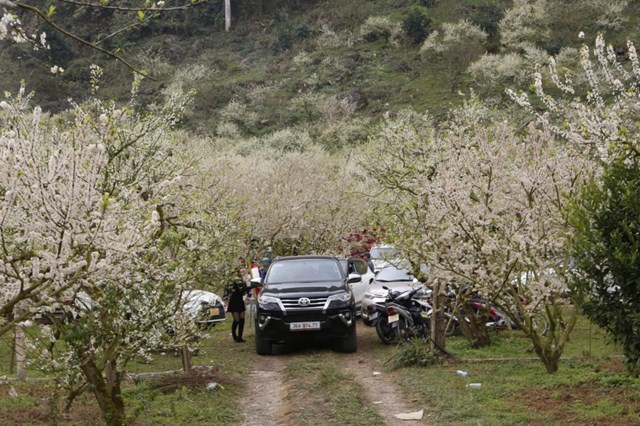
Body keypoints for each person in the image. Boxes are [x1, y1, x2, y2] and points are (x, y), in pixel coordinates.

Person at [227, 268, 253, 343]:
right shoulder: (235, 281)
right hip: (234, 301)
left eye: (243, 271)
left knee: (242, 318)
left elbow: (245, 290)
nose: (242, 273)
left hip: (240, 300)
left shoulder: (242, 280)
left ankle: (240, 336)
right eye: (241, 272)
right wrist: (251, 286)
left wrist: (251, 287)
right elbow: (242, 290)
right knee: (237, 320)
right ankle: (234, 335)